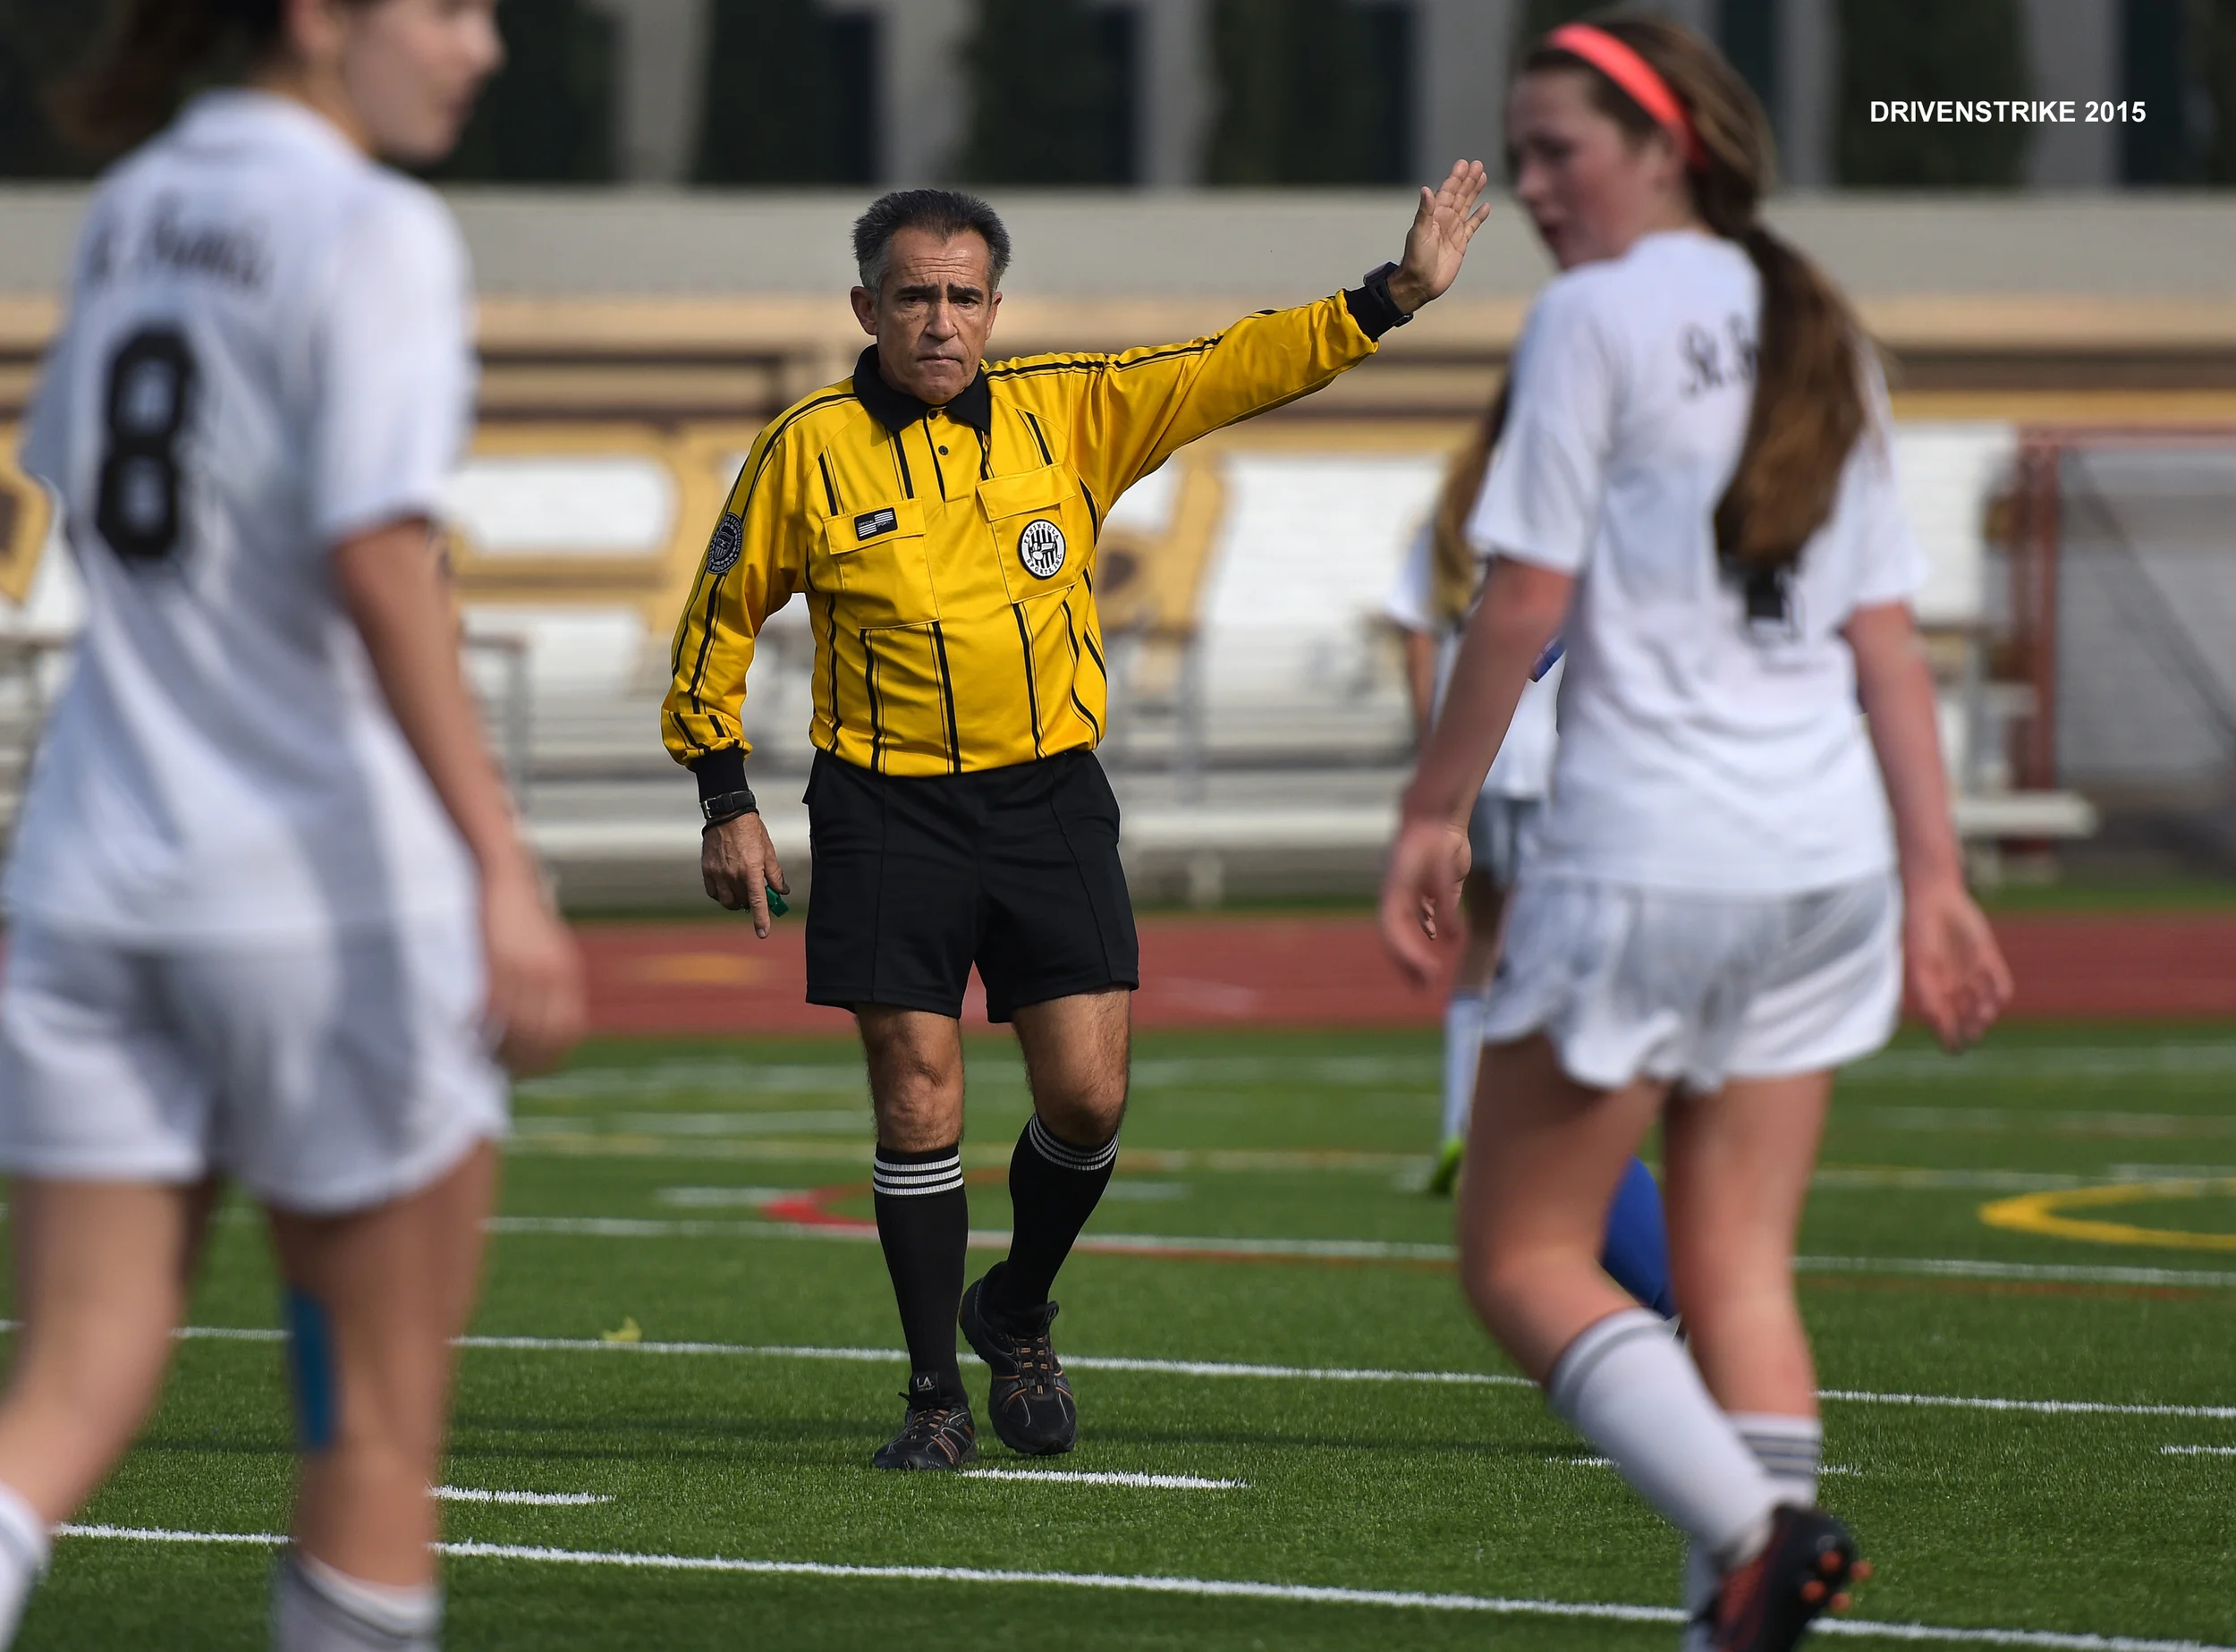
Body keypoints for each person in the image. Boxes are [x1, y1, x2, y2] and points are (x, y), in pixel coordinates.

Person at [665, 173, 1490, 1470]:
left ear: (994, 306)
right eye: (913, 296)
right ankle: (934, 1394)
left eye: (963, 296)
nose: (940, 320)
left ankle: (1018, 1304)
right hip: (885, 806)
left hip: (1049, 796)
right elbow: (715, 618)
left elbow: (1233, 367)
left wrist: (1389, 297)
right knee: (915, 1091)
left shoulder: (1073, 412)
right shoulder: (804, 449)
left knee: (1090, 1099)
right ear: (865, 307)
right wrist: (726, 799)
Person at [1378, 16, 2012, 1651]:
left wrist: (1435, 807)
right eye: (1515, 154)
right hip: (1823, 866)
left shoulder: (1594, 316)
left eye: (1557, 151)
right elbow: (1882, 634)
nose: (1528, 185)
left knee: (1519, 1255)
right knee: (1737, 1270)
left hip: (1648, 853)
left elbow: (1521, 598)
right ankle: (1740, 1603)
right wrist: (1936, 877)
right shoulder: (1819, 323)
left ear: (1671, 149)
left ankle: (1754, 1533)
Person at [0, 1, 584, 1647]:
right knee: (366, 1430)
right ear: (323, 17)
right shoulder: (372, 225)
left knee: (58, 1398)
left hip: (100, 887)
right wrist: (500, 862)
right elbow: (377, 551)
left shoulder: (132, 203)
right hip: (320, 914)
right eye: (452, 10)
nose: (483, 48)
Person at [1385, 428, 1675, 1323]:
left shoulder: (1573, 481)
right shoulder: (1788, 456)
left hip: (1637, 829)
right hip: (1772, 838)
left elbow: (1515, 630)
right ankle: (1709, 1343)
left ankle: (1685, 1317)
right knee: (1716, 1134)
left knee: (1534, 1111)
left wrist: (1445, 808)